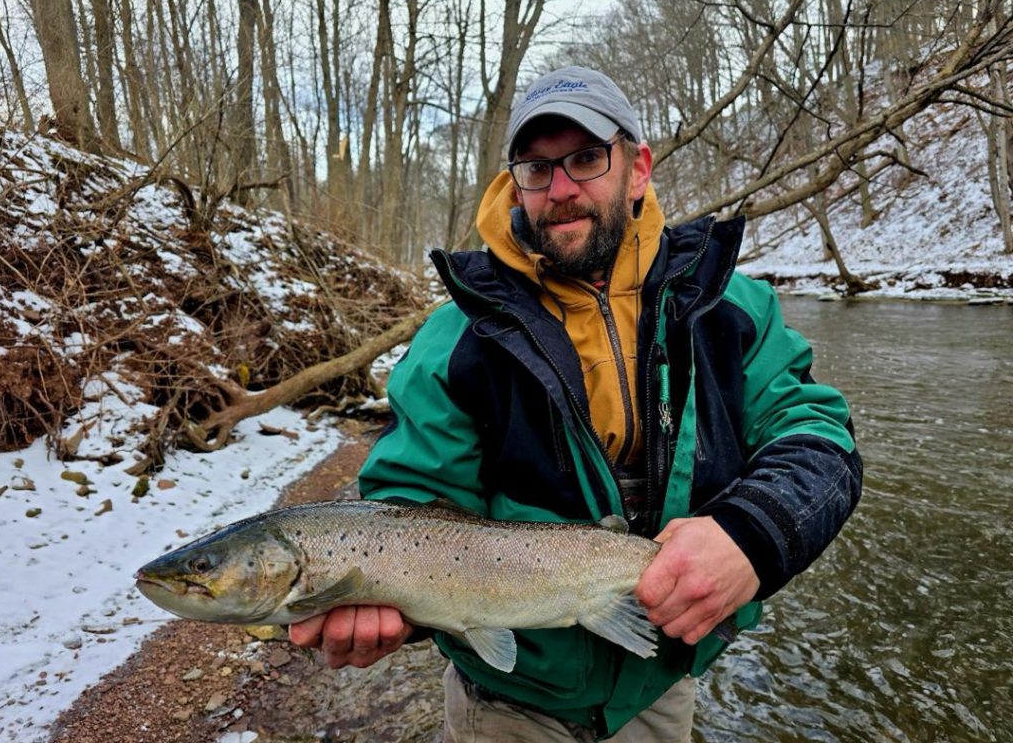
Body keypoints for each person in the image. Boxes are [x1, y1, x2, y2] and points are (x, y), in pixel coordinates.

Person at [289, 66, 862, 741]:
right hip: (508, 703)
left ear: (637, 168)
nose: (561, 189)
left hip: (661, 682)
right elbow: (409, 502)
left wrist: (753, 536)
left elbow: (818, 436)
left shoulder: (732, 308)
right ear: (515, 185)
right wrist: (385, 601)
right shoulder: (456, 339)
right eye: (537, 168)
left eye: (587, 158)